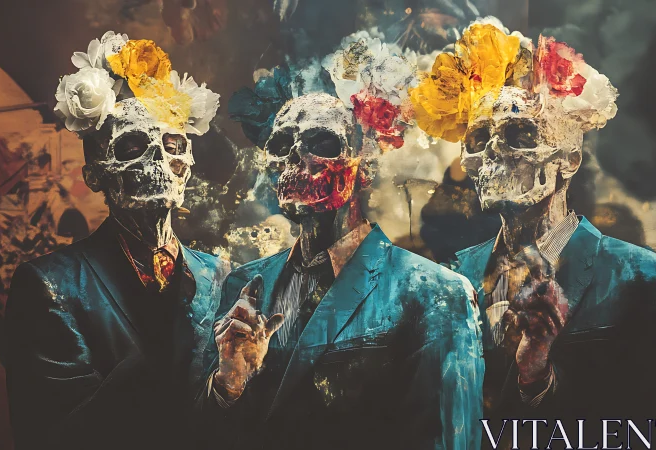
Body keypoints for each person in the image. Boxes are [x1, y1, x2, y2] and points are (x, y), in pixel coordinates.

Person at [411, 17, 656, 447]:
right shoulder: (449, 281)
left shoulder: (649, 283)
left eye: (519, 135)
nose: (492, 154)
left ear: (567, 159)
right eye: (478, 140)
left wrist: (540, 379)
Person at [198, 72, 484, 448]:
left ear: (364, 167)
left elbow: (450, 436)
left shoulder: (434, 292)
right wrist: (227, 387)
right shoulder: (245, 285)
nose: (296, 158)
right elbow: (202, 433)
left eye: (322, 143)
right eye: (281, 145)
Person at [4, 31, 226, 450]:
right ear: (95, 176)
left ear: (188, 166)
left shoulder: (220, 276)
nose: (159, 160)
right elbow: (51, 430)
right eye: (132, 146)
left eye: (172, 144)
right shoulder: (50, 285)